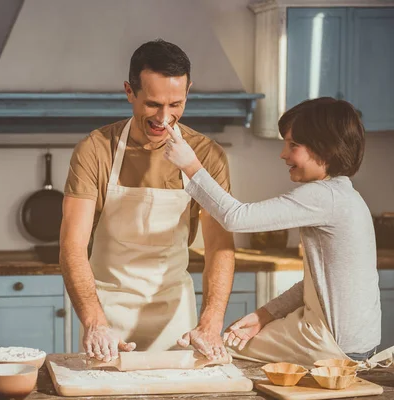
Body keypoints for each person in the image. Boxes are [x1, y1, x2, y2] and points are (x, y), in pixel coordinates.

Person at [164, 96, 384, 367]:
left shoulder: (322, 196)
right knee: (234, 345)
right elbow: (318, 284)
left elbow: (236, 218)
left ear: (325, 149)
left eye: (293, 145)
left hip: (332, 344)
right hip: (360, 345)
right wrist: (264, 315)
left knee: (224, 352)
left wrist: (190, 165)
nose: (283, 154)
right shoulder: (347, 196)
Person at [59, 39, 236, 362]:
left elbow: (219, 246)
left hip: (175, 317)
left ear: (188, 92)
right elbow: (72, 245)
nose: (165, 118)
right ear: (130, 91)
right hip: (106, 314)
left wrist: (211, 323)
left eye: (176, 104)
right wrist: (95, 322)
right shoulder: (96, 150)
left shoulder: (207, 156)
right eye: (153, 104)